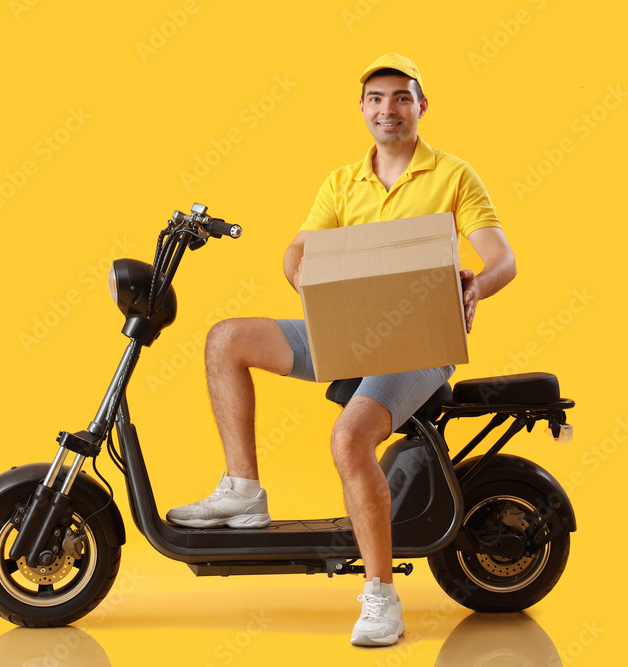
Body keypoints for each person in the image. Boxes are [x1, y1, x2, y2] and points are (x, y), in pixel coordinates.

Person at [167, 53, 517, 646]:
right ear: (362, 109)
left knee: (348, 438)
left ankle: (381, 598)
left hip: (419, 345)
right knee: (225, 339)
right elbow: (294, 250)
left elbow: (502, 258)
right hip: (350, 335)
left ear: (421, 106)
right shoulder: (341, 181)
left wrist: (475, 287)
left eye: (402, 97)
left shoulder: (454, 176)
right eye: (377, 99)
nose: (389, 109)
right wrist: (299, 274)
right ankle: (244, 491)